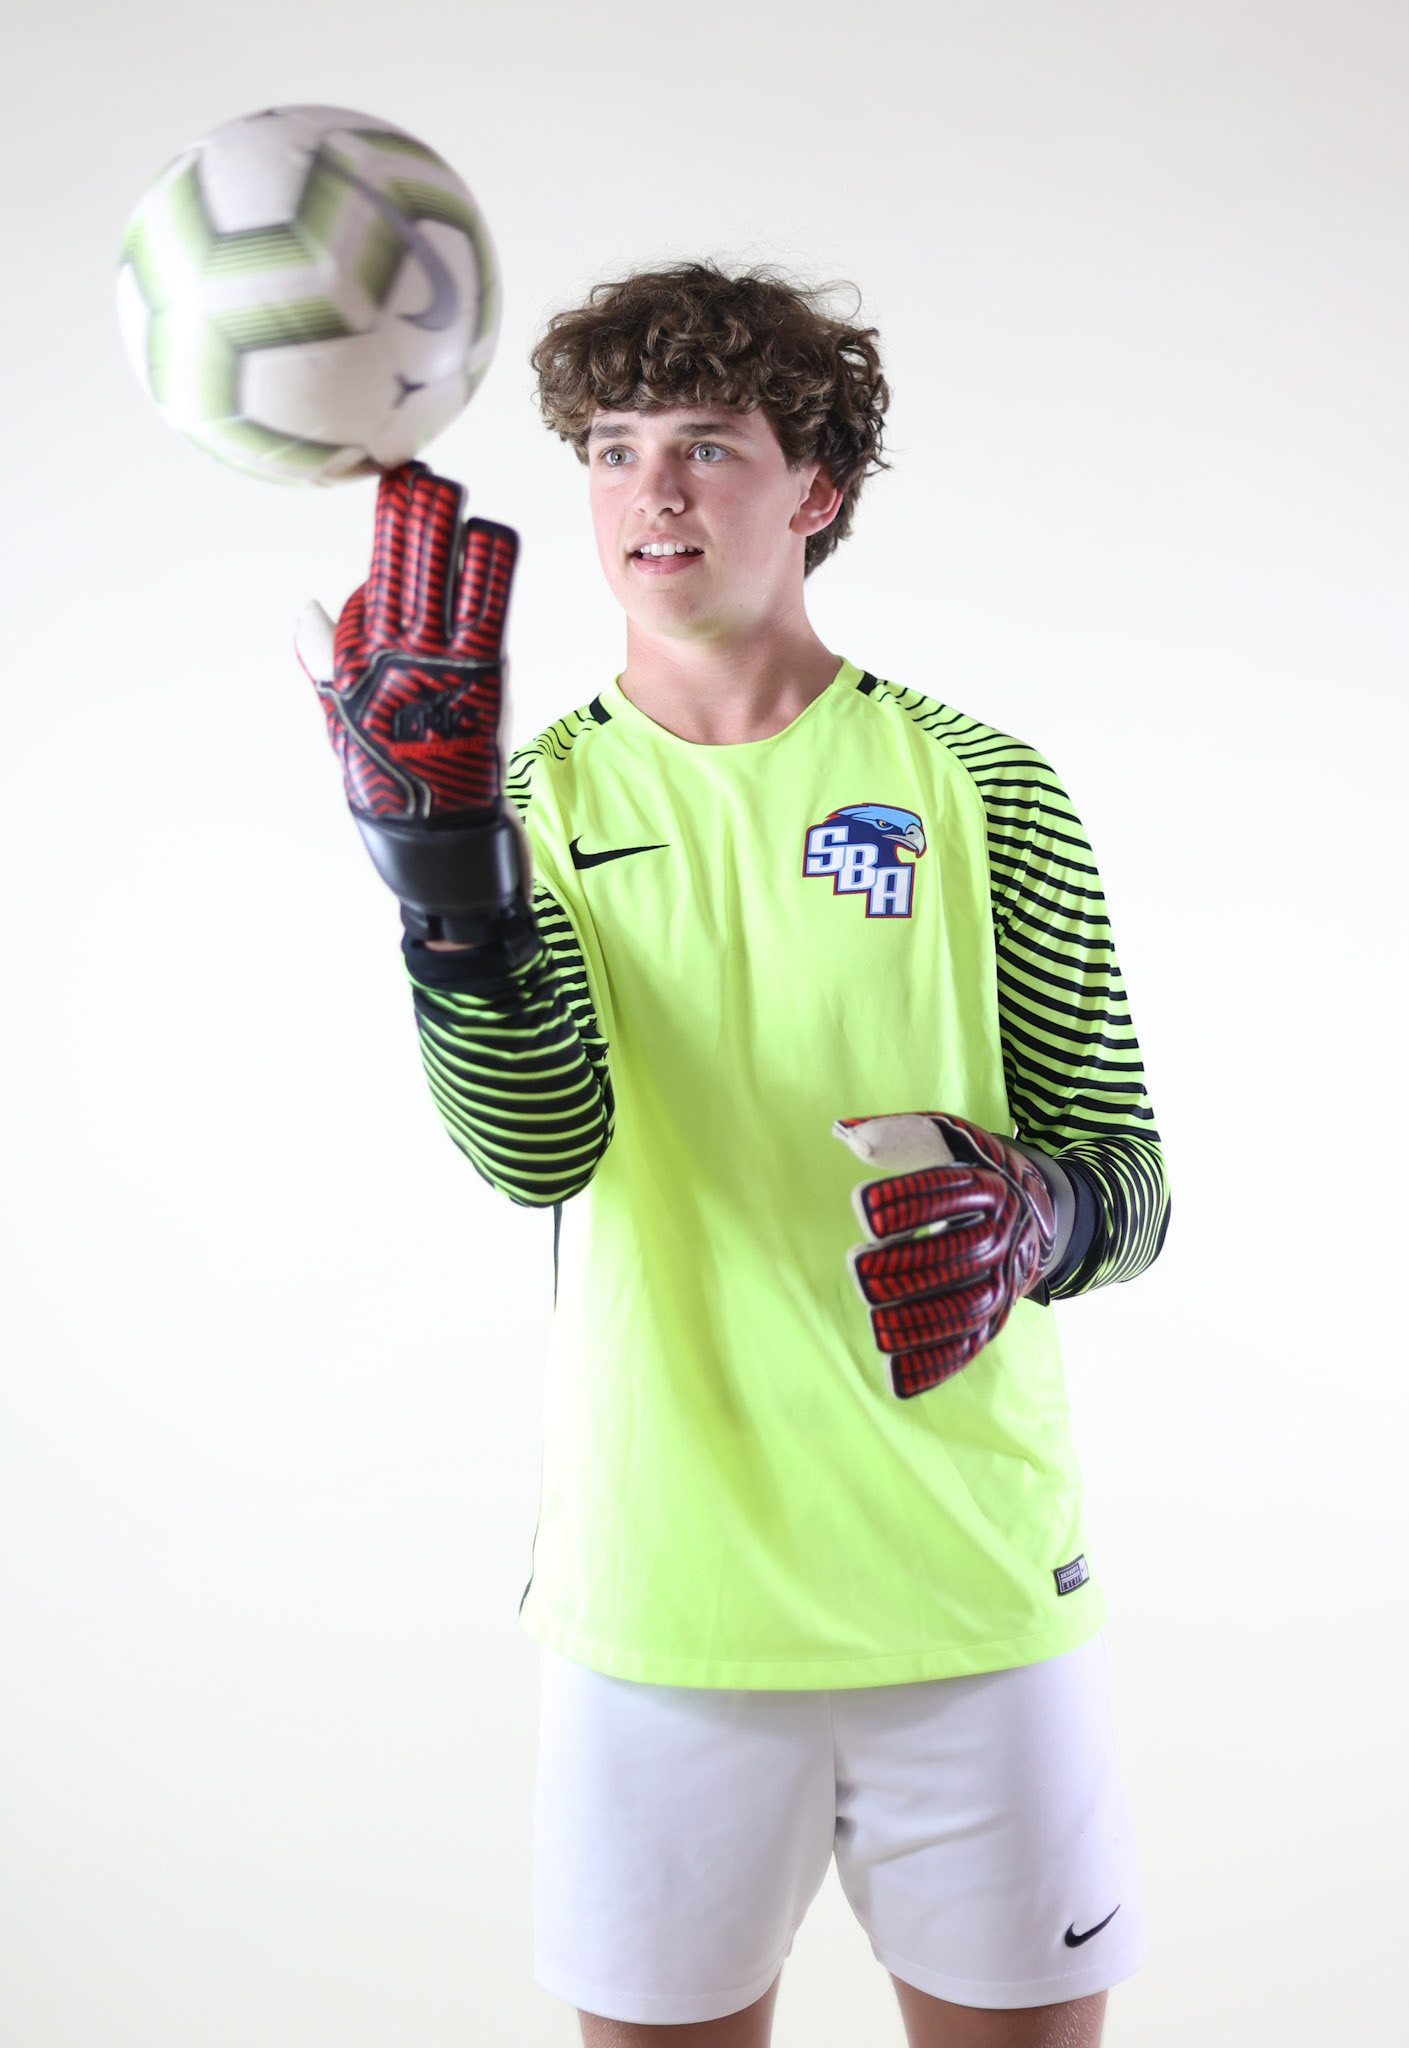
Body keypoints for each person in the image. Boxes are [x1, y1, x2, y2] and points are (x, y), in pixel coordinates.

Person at [298, 261, 1170, 2048]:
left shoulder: (980, 781)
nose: (653, 491)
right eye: (613, 449)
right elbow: (537, 1150)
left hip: (968, 1586)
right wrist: (450, 898)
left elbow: (1131, 1179)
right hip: (659, 1599)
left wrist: (1041, 1212)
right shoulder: (523, 799)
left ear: (814, 490)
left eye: (708, 444)